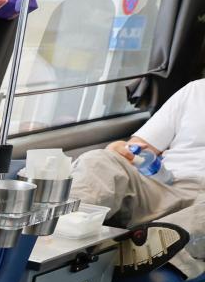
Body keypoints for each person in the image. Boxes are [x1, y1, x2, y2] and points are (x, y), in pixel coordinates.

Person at [70, 78, 205, 228]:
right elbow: (137, 148)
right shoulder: (196, 90)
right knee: (99, 161)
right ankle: (61, 231)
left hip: (199, 205)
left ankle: (154, 244)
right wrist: (121, 151)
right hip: (166, 186)